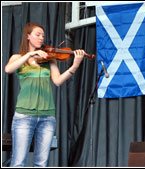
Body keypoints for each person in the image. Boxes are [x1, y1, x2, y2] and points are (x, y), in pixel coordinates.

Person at [5, 22, 87, 167]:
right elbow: (8, 69)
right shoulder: (17, 58)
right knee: (18, 162)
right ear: (28, 36)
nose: (41, 38)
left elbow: (58, 81)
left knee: (41, 164)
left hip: (47, 117)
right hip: (24, 115)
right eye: (38, 35)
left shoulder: (49, 58)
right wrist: (30, 54)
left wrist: (74, 66)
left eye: (43, 35)